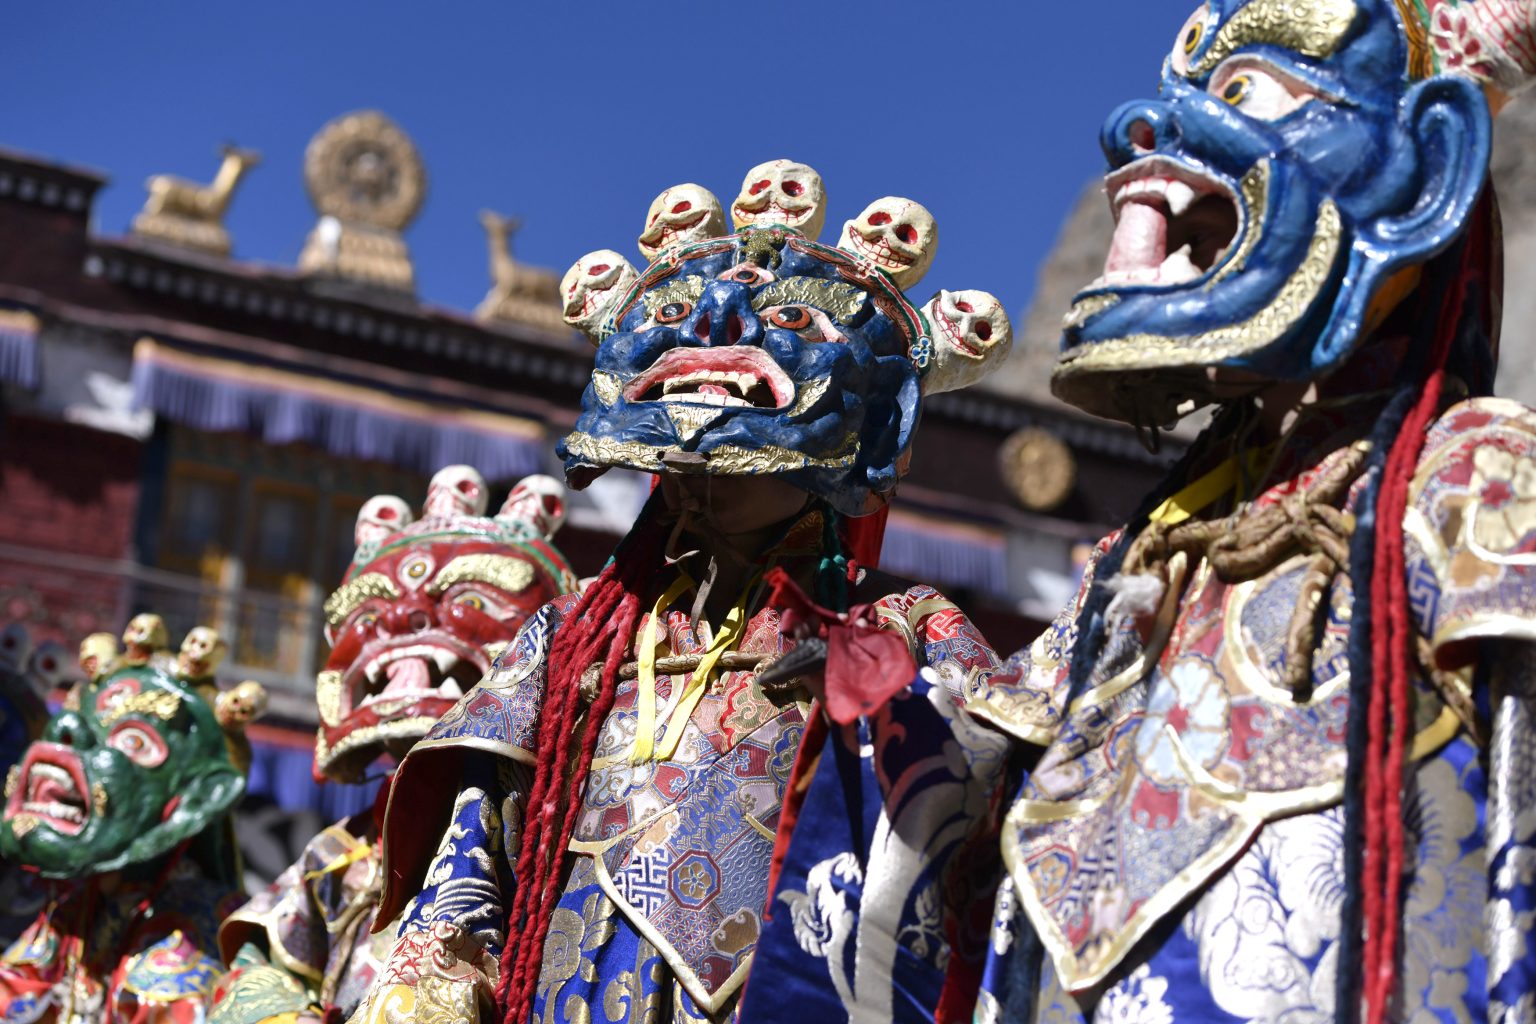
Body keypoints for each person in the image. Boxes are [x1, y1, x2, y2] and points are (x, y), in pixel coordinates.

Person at [964, 1, 1536, 1020]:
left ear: (1430, 168)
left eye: (1246, 94)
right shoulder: (1154, 543)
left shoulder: (1473, 480)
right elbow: (993, 749)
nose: (1144, 129)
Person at [345, 161, 1014, 1024]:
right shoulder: (571, 638)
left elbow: (997, 796)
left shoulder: (903, 628)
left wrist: (885, 713)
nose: (701, 483)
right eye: (677, 463)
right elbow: (475, 858)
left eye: (739, 460)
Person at [209, 468, 576, 1024]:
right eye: (371, 610)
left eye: (470, 593)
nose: (407, 616)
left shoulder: (556, 840)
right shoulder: (342, 851)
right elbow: (261, 959)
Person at [0, 622, 260, 1023]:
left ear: (196, 798)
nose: (66, 735)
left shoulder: (198, 932)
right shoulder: (73, 911)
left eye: (133, 741)